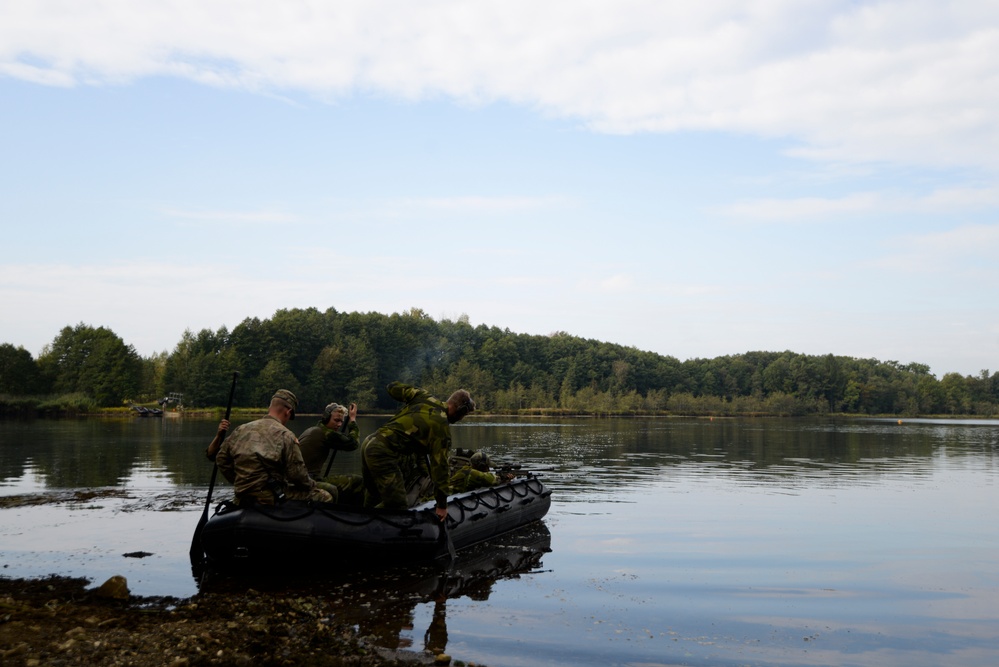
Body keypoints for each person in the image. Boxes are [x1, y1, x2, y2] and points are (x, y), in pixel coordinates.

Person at [360, 382, 475, 519]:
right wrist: (442, 505)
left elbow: (392, 387)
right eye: (464, 414)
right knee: (397, 505)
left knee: (374, 494)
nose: (461, 418)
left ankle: (361, 518)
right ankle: (363, 525)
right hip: (382, 451)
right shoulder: (441, 427)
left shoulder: (423, 396)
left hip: (370, 442)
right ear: (460, 410)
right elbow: (440, 468)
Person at [215, 389, 332, 505]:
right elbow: (297, 474)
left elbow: (221, 459)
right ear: (288, 412)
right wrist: (312, 485)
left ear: (270, 407)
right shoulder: (286, 435)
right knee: (326, 497)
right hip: (270, 496)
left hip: (242, 495)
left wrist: (239, 481)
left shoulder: (240, 430)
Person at [298, 401, 364, 504]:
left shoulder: (314, 429)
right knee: (357, 482)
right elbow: (353, 443)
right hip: (307, 480)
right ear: (326, 418)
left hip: (307, 478)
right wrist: (352, 419)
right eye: (336, 420)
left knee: (354, 481)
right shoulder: (327, 434)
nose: (339, 424)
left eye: (341, 421)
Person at [449, 450, 514, 493]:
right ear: (481, 466)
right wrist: (504, 477)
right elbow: (492, 479)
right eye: (487, 466)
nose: (488, 469)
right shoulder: (472, 473)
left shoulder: (467, 470)